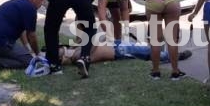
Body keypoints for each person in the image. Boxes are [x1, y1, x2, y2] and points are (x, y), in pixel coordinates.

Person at [56, 41, 192, 65]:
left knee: (143, 48)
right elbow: (93, 44)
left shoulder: (76, 50)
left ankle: (164, 52)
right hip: (118, 51)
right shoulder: (76, 57)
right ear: (63, 56)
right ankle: (175, 56)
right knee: (146, 53)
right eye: (60, 50)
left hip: (115, 45)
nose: (61, 47)